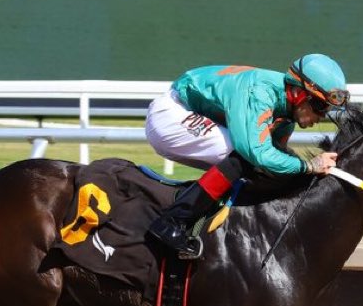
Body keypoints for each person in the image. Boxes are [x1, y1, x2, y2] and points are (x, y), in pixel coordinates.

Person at [144, 53, 350, 257]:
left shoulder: (286, 117)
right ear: (299, 93)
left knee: (264, 165)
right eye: (320, 105)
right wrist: (309, 166)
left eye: (328, 109)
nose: (322, 116)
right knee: (245, 156)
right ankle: (172, 221)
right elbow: (257, 153)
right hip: (171, 115)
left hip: (191, 114)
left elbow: (275, 161)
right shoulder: (260, 93)